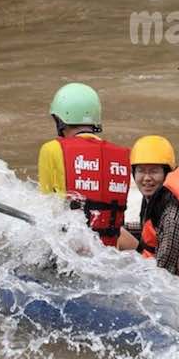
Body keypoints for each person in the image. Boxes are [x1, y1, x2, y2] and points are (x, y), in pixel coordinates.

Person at [37, 82, 130, 246]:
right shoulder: (122, 155)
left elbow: (46, 207)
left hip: (70, 253)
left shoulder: (52, 149)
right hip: (108, 251)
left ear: (60, 120)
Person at [116, 135, 179, 275]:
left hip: (169, 268)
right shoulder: (156, 192)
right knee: (112, 230)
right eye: (141, 171)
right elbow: (152, 227)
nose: (146, 178)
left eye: (154, 171)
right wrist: (125, 228)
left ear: (166, 173)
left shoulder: (171, 212)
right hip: (154, 252)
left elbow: (165, 269)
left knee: (114, 235)